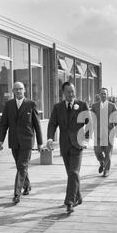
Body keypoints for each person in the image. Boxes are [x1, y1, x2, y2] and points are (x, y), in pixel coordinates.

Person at [47, 82, 90, 214]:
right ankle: (78, 196)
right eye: (68, 92)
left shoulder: (82, 105)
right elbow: (52, 123)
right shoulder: (58, 107)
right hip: (64, 145)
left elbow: (90, 122)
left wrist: (87, 138)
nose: (71, 94)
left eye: (73, 91)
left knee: (73, 172)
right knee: (70, 173)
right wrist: (49, 138)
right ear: (63, 93)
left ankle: (69, 202)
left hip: (78, 144)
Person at [0, 82, 43, 204]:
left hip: (27, 141)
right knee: (20, 166)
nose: (19, 91)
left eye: (21, 89)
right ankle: (27, 186)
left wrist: (40, 143)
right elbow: (3, 124)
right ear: (13, 91)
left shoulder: (31, 104)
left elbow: (37, 125)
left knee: (22, 165)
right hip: (14, 141)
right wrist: (0, 140)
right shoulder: (9, 105)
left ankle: (17, 194)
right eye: (16, 89)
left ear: (24, 91)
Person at [91, 88, 117, 177]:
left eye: (105, 94)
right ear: (99, 95)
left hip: (109, 133)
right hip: (98, 133)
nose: (103, 95)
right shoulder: (94, 106)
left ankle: (106, 170)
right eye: (102, 93)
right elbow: (92, 119)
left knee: (108, 153)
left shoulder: (112, 105)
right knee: (97, 151)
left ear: (107, 95)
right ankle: (102, 162)